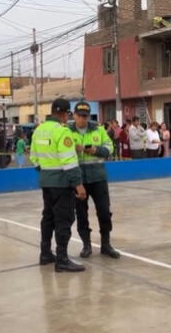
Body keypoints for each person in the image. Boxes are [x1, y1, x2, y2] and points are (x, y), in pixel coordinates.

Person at [30, 98, 87, 272]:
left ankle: (45, 253)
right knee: (64, 219)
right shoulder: (62, 132)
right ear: (64, 114)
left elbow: (34, 157)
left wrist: (46, 173)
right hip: (62, 184)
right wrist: (78, 185)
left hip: (46, 182)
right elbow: (69, 161)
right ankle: (62, 259)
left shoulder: (39, 130)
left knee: (48, 217)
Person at [69, 102, 120, 260]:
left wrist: (96, 150)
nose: (83, 119)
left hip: (98, 178)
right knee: (81, 213)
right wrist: (73, 149)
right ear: (74, 115)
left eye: (86, 116)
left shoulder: (98, 130)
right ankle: (86, 245)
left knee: (104, 211)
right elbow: (62, 151)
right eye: (80, 116)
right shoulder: (67, 132)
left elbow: (110, 148)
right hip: (78, 179)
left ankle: (106, 244)